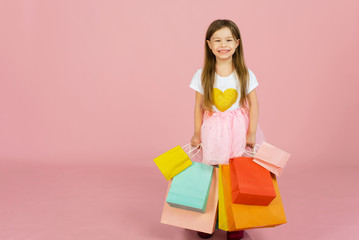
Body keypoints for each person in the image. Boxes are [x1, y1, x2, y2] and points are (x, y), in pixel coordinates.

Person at [189, 19, 265, 240]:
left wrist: (251, 131)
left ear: (237, 43)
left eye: (229, 40)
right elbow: (198, 106)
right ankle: (208, 219)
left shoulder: (245, 73)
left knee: (235, 174)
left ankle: (234, 221)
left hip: (237, 130)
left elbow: (254, 104)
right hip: (212, 130)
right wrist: (196, 132)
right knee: (211, 174)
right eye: (218, 40)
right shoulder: (203, 74)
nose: (224, 45)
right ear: (209, 45)